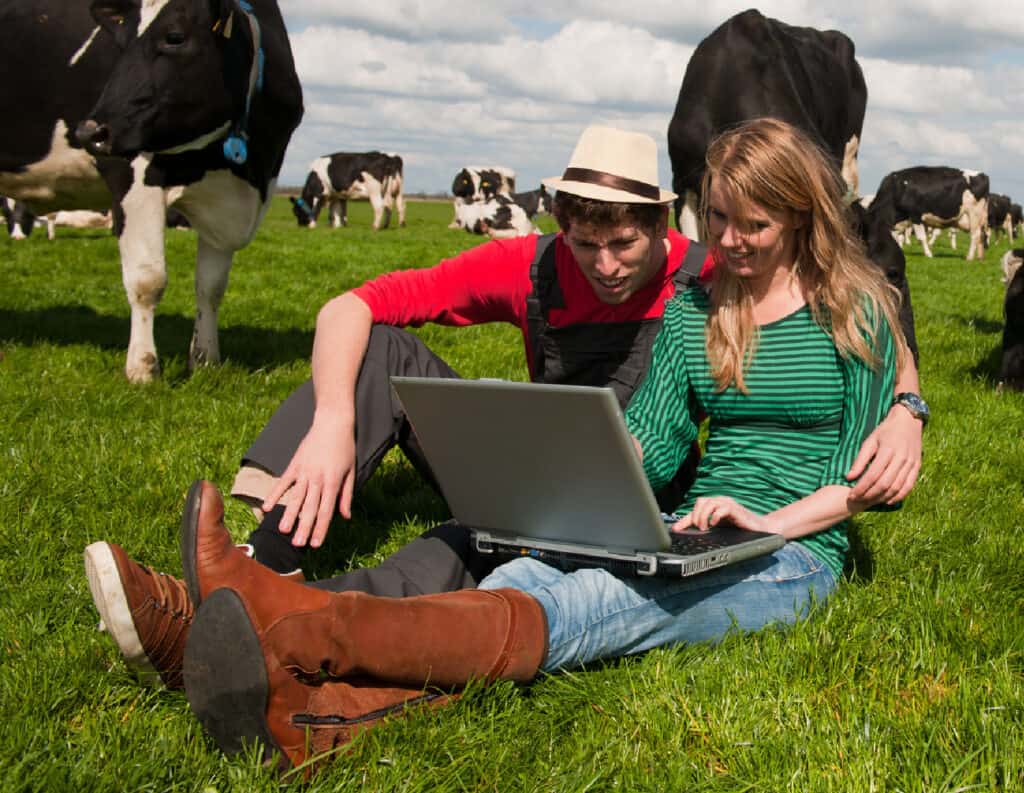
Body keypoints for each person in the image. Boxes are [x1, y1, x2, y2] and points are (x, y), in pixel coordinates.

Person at [175, 117, 916, 771]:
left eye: (750, 225)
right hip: (693, 525)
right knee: (515, 585)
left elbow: (860, 487)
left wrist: (785, 508)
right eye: (717, 219)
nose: (727, 241)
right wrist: (576, 487)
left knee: (596, 602)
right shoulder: (702, 308)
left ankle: (303, 627)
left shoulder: (854, 315)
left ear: (796, 215)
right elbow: (650, 442)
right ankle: (317, 718)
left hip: (795, 551)